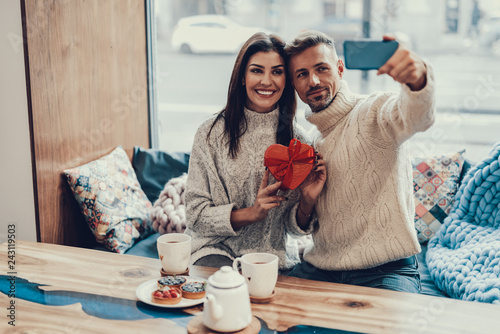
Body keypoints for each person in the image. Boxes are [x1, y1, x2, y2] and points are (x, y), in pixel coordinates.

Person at [284, 30, 436, 293]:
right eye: (302, 74)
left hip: (386, 270)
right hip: (320, 268)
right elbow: (299, 227)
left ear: (340, 69)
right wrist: (307, 201)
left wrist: (417, 79)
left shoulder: (375, 110)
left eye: (322, 68)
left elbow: (416, 117)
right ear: (294, 84)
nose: (314, 80)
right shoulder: (307, 142)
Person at [184, 32, 326, 272]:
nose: (267, 81)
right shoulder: (209, 134)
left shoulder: (299, 142)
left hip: (273, 259)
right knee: (231, 293)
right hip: (214, 251)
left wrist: (308, 201)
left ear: (287, 80)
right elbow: (195, 216)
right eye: (257, 71)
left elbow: (294, 228)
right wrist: (251, 213)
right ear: (242, 77)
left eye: (277, 72)